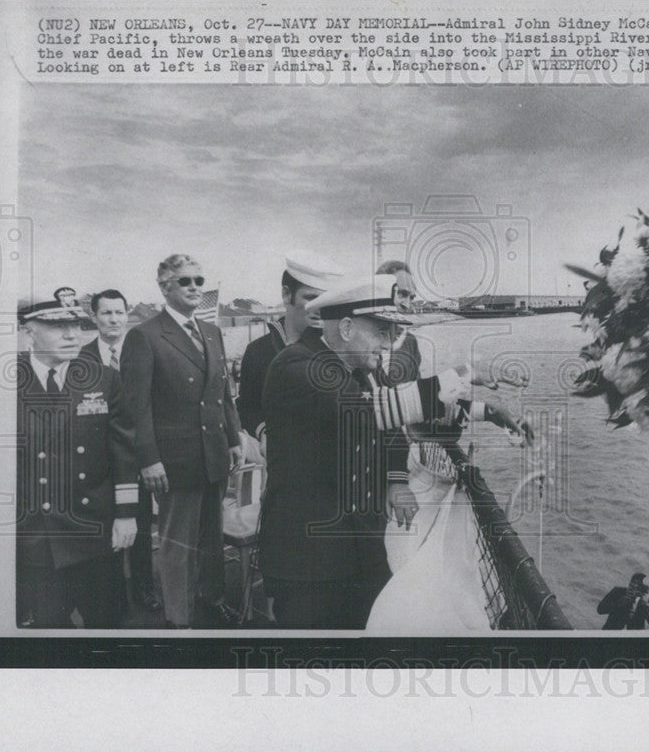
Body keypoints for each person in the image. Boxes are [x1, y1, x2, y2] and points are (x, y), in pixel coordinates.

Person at [259, 273, 523, 629]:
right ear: (349, 327)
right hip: (308, 560)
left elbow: (404, 417)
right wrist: (466, 372)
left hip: (358, 549)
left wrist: (487, 412)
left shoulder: (352, 369)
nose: (388, 343)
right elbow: (372, 411)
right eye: (381, 331)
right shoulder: (299, 366)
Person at [121, 255, 243, 629]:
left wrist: (234, 438)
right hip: (174, 461)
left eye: (198, 280)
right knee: (177, 545)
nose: (194, 287)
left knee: (210, 539)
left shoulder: (211, 332)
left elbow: (222, 392)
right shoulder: (145, 335)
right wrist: (148, 460)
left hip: (214, 454)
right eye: (185, 281)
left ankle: (213, 598)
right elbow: (135, 408)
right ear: (164, 287)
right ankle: (180, 619)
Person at [16, 286, 139, 628]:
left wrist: (126, 515)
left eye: (77, 324)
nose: (72, 334)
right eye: (57, 326)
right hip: (37, 535)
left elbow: (123, 454)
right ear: (29, 330)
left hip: (93, 529)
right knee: (50, 628)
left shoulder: (103, 378)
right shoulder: (4, 383)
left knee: (108, 622)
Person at [80, 289, 162, 615]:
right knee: (106, 530)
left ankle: (144, 587)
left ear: (127, 314)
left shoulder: (143, 350)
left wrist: (150, 455)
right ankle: (114, 595)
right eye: (106, 313)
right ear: (94, 317)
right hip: (100, 460)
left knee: (139, 525)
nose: (114, 319)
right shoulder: (83, 356)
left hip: (138, 456)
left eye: (119, 312)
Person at [236, 251, 345, 453]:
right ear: (287, 295)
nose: (320, 308)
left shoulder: (341, 349)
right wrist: (264, 432)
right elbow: (247, 407)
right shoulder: (258, 351)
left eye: (327, 300)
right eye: (311, 297)